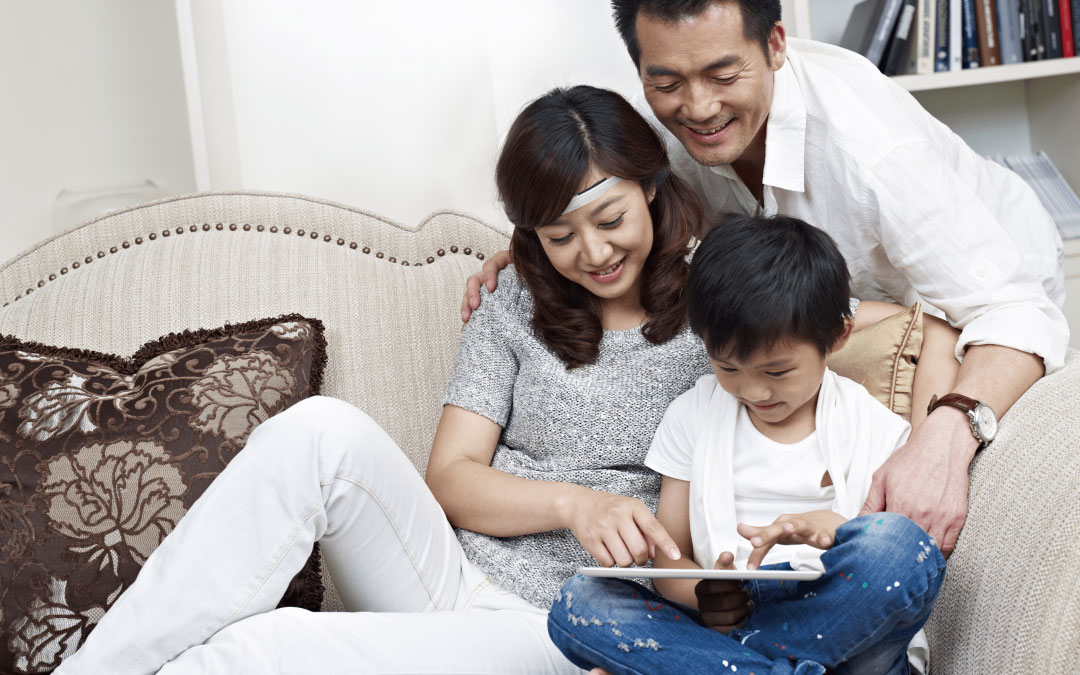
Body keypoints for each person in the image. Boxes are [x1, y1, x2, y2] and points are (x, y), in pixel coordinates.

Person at [55, 85, 715, 675]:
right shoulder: (514, 297)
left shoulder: (716, 313)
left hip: (566, 625)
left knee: (269, 648)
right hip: (452, 578)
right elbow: (452, 477)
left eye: (610, 220)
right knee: (320, 430)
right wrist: (574, 502)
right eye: (560, 235)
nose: (594, 253)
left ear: (651, 186)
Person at [461, 0, 1069, 557]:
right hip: (821, 326)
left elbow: (1017, 314)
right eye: (667, 81)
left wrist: (944, 435)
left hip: (985, 300)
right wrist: (533, 252)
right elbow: (604, 210)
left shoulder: (871, 151)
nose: (697, 108)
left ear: (776, 44)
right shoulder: (661, 138)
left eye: (724, 76)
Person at [547, 215, 945, 675]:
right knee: (581, 602)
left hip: (839, 626)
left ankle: (739, 665)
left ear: (838, 337)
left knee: (902, 546)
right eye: (729, 369)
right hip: (728, 625)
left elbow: (887, 566)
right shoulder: (692, 415)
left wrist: (834, 531)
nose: (755, 392)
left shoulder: (875, 427)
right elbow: (669, 557)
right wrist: (701, 592)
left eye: (777, 372)